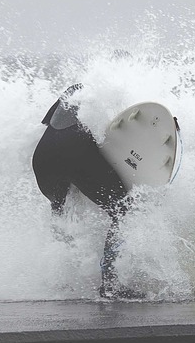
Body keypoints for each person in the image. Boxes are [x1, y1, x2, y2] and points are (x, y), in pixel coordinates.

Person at [31, 84, 141, 299]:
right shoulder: (114, 89)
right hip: (74, 149)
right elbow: (122, 128)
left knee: (60, 211)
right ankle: (110, 284)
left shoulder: (75, 90)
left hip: (43, 157)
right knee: (123, 210)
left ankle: (63, 280)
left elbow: (43, 125)